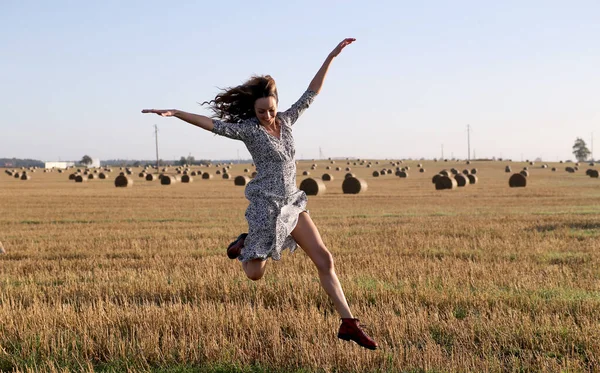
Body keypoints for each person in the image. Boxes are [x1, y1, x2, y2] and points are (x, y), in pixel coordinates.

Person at [142, 38, 377, 350]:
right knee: (255, 274)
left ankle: (348, 323)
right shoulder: (248, 130)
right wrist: (176, 112)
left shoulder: (287, 121)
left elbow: (312, 92)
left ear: (276, 104)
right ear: (253, 111)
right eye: (261, 111)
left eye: (270, 109)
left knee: (325, 259)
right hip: (267, 207)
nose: (267, 115)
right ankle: (243, 247)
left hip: (293, 202)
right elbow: (211, 124)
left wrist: (331, 57)